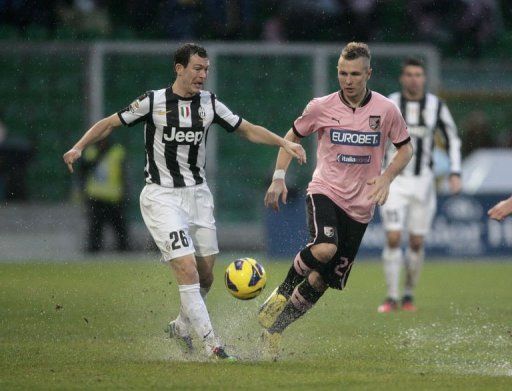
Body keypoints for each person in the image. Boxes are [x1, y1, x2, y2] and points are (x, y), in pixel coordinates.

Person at [63, 43, 306, 361]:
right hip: (162, 197)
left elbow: (246, 130)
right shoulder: (153, 101)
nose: (203, 75)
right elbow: (109, 123)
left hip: (199, 196)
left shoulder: (210, 104)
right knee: (188, 270)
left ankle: (180, 326)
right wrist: (79, 146)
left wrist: (283, 142)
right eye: (197, 69)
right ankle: (213, 346)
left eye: (206, 69)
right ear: (179, 68)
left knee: (205, 276)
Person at [258, 42, 413, 359]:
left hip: (361, 207)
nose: (348, 80)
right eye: (343, 73)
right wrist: (278, 178)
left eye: (355, 74)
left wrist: (385, 178)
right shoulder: (320, 106)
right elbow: (291, 137)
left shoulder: (385, 110)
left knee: (320, 281)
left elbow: (406, 148)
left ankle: (274, 331)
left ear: (368, 73)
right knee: (325, 247)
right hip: (325, 190)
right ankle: (282, 291)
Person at [377, 57, 462, 313]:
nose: (414, 79)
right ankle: (391, 297)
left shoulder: (436, 106)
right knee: (393, 237)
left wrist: (455, 172)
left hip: (424, 183)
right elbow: (376, 138)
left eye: (418, 74)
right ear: (402, 78)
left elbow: (453, 139)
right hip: (394, 181)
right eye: (409, 74)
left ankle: (408, 294)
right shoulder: (390, 103)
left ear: (424, 78)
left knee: (415, 242)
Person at [80, 138, 130, 253]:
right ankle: (93, 250)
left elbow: (124, 174)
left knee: (119, 226)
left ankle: (124, 249)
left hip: (114, 196)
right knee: (95, 226)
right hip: (95, 196)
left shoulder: (118, 151)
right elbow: (84, 171)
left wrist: (125, 192)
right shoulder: (90, 151)